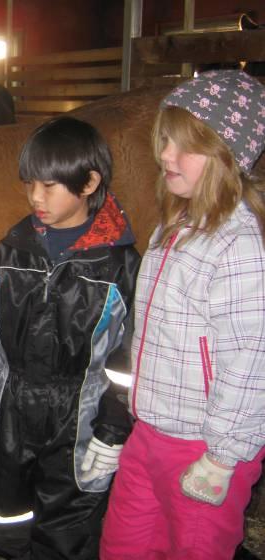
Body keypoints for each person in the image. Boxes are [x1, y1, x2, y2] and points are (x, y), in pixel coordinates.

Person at [0, 116, 141, 559]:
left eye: (49, 185)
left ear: (88, 182)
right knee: (5, 513)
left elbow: (131, 355)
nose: (35, 197)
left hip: (79, 417)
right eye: (29, 185)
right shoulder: (11, 250)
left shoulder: (119, 265)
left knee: (68, 529)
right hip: (14, 411)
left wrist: (114, 429)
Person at [100, 70, 265, 559]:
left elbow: (251, 360)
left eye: (183, 146)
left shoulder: (239, 245)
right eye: (165, 140)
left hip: (202, 445)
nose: (164, 155)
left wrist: (222, 456)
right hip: (150, 428)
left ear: (226, 155)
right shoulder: (175, 226)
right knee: (122, 546)